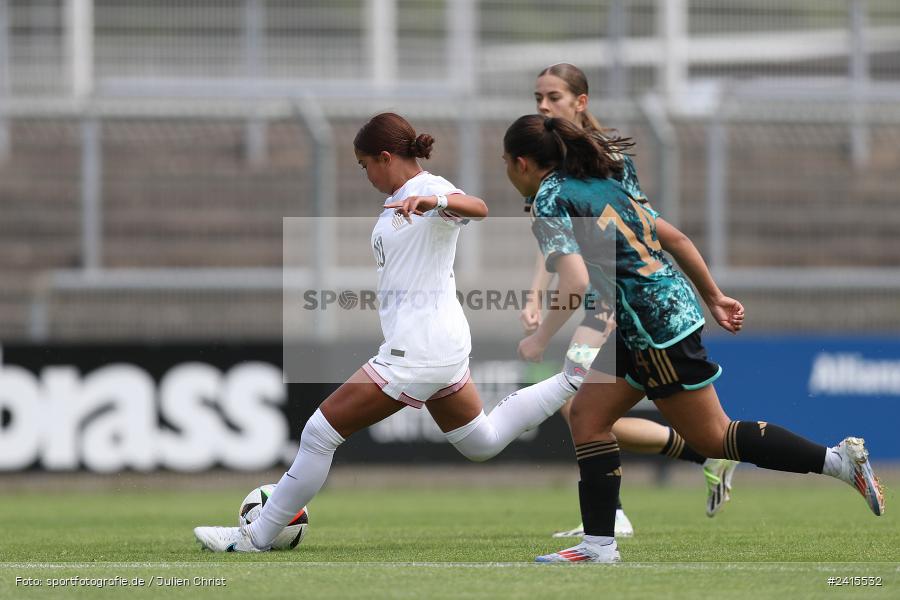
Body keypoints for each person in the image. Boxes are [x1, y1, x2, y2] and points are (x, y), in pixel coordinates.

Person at [502, 114, 885, 563]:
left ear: (523, 163)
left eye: (505, 162)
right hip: (656, 316)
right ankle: (599, 546)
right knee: (587, 417)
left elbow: (575, 281)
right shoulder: (601, 184)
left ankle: (839, 461)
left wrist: (540, 338)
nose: (506, 172)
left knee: (713, 437)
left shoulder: (552, 198)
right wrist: (714, 297)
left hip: (650, 328)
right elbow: (676, 238)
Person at [194, 112, 581, 552]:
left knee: (319, 433)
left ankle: (255, 538)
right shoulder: (399, 198)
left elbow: (479, 207)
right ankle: (574, 378)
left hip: (418, 348)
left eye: (365, 166)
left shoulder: (427, 188)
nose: (366, 175)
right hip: (441, 343)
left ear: (384, 157)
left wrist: (435, 203)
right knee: (481, 442)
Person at [524, 63, 737, 537]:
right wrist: (537, 293)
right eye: (538, 96)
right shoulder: (552, 158)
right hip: (602, 301)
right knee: (580, 408)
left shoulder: (608, 158)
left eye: (553, 97)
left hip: (616, 306)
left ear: (581, 102)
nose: (542, 105)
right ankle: (694, 458)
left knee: (579, 407)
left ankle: (620, 510)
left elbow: (638, 228)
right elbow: (559, 240)